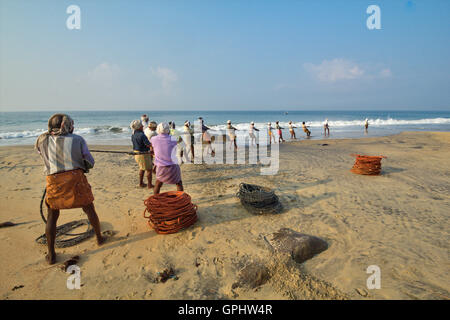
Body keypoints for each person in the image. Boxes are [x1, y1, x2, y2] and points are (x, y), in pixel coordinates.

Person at [35, 114, 105, 265]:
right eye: (71, 125)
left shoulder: (41, 139)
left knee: (52, 215)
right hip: (75, 179)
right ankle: (99, 238)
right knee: (89, 208)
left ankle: (51, 254)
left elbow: (42, 155)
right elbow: (89, 162)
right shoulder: (77, 139)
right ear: (67, 126)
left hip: (53, 181)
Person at [150, 123, 184, 194]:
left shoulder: (153, 139)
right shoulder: (173, 138)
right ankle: (180, 199)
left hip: (160, 167)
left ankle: (155, 199)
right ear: (168, 130)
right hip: (173, 166)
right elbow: (180, 139)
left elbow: (152, 149)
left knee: (158, 183)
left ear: (158, 130)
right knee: (178, 183)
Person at [131, 120, 153, 188]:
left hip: (136, 153)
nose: (143, 126)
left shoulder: (133, 134)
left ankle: (141, 183)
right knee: (149, 169)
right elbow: (148, 144)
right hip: (143, 154)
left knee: (142, 168)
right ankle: (149, 185)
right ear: (139, 127)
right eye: (141, 126)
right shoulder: (142, 135)